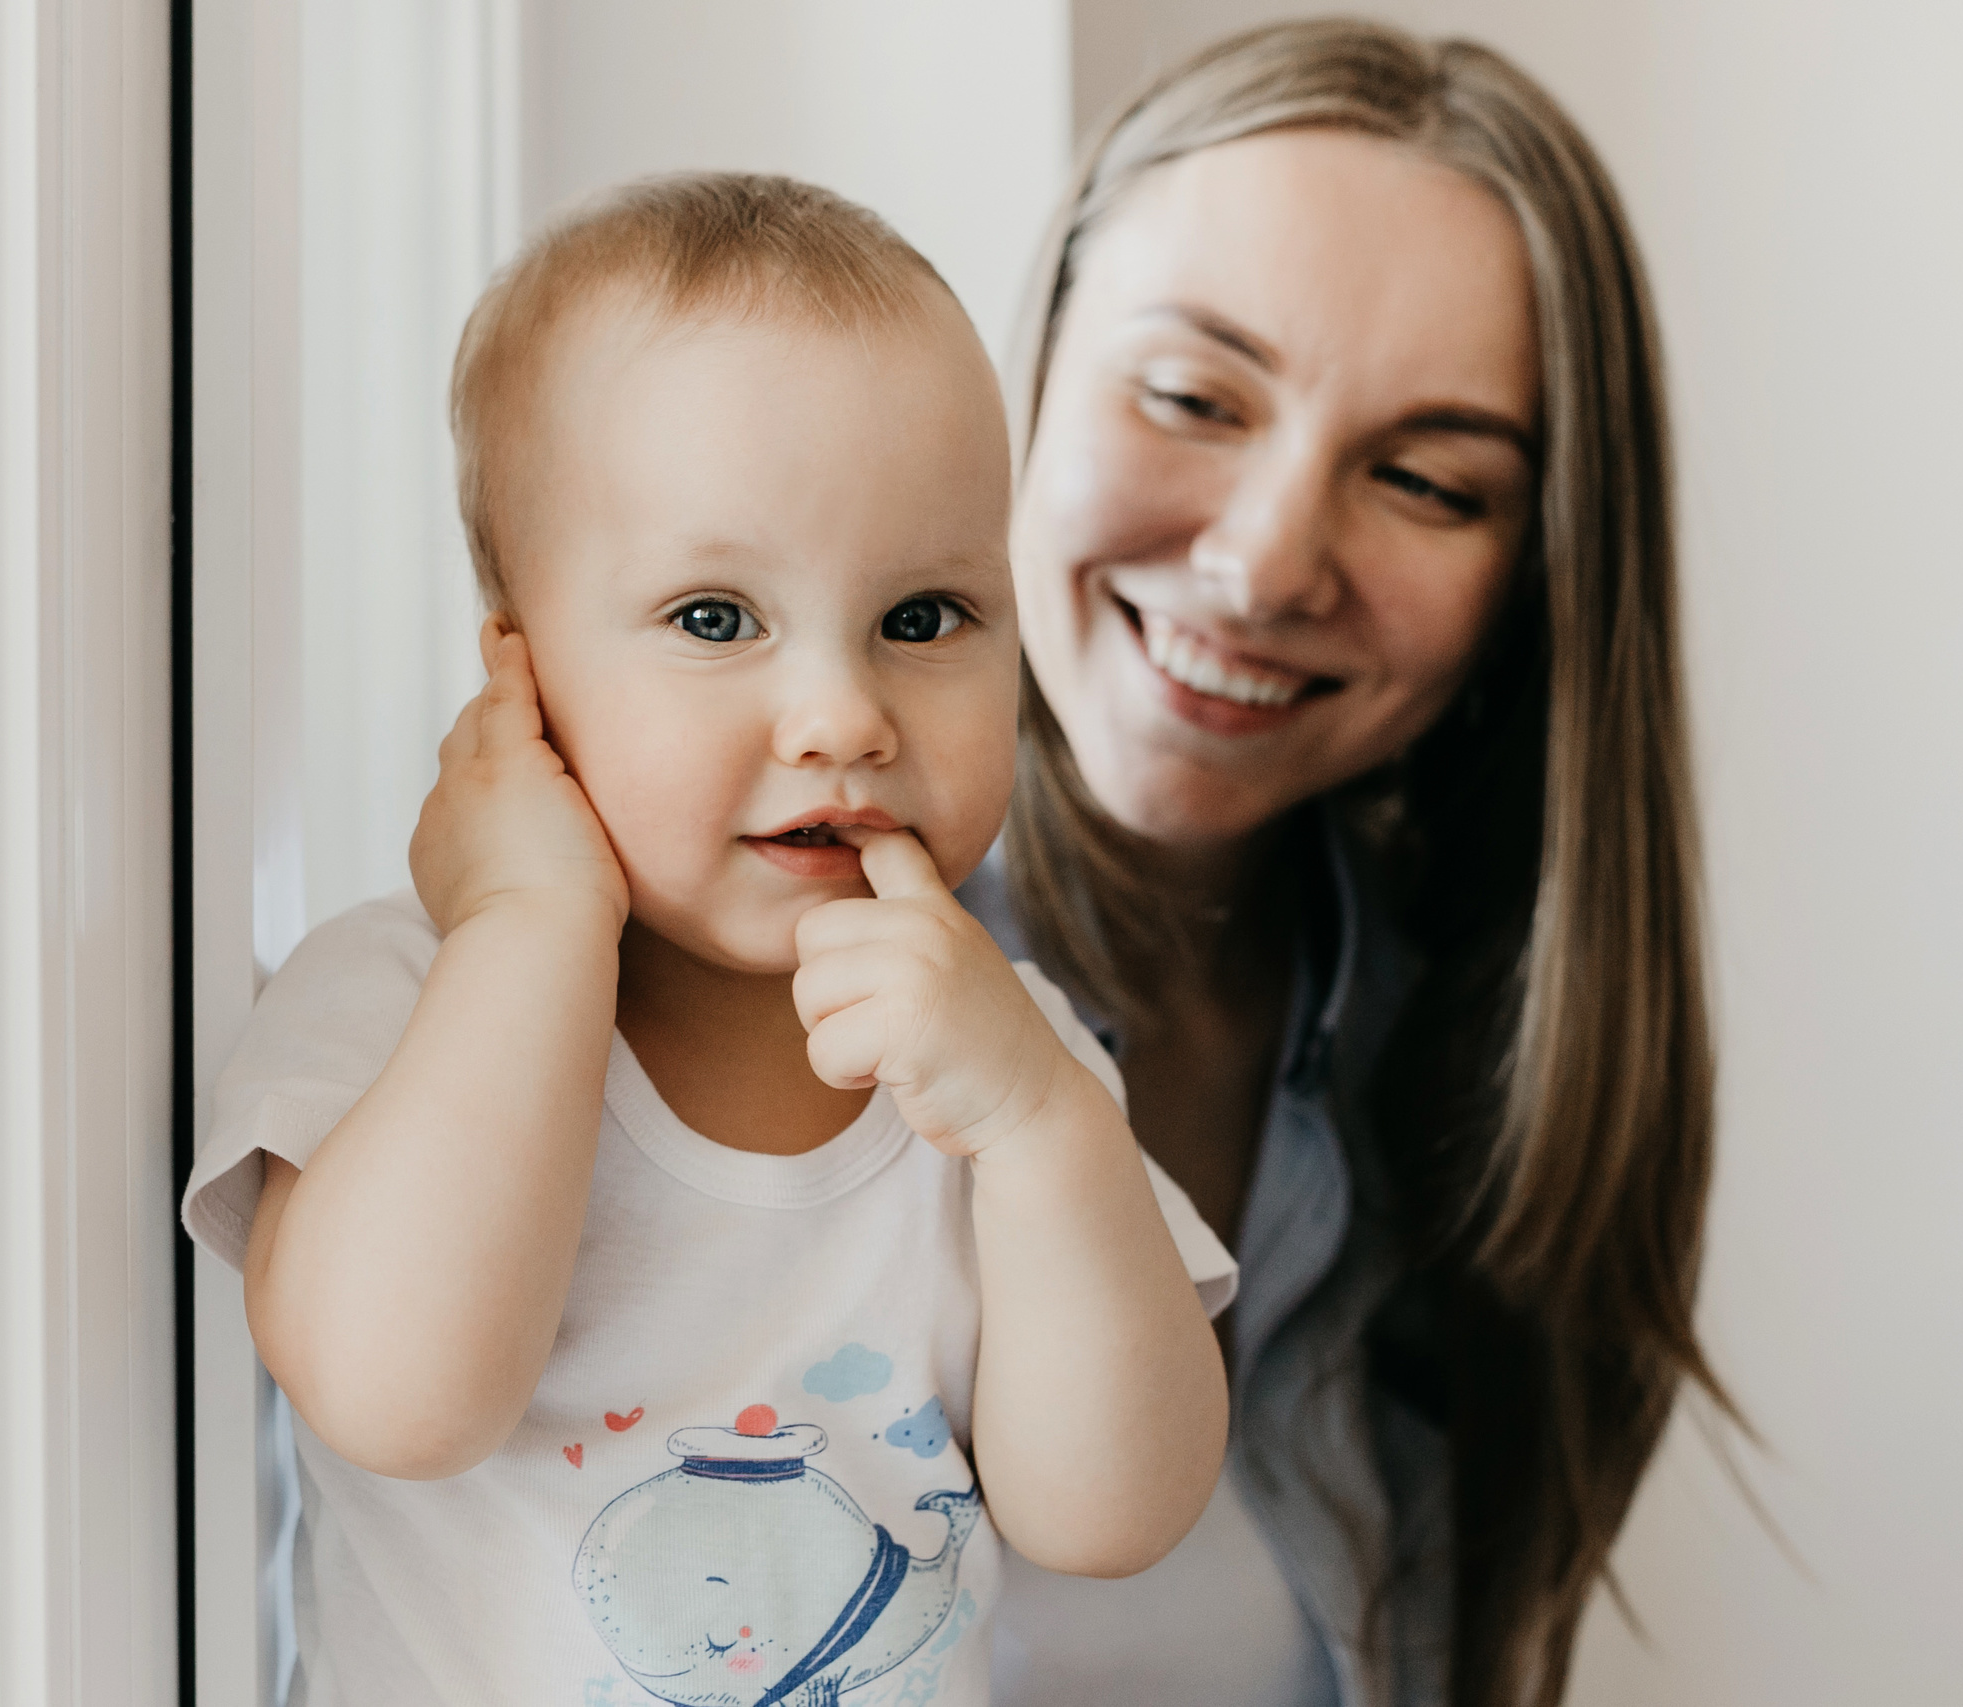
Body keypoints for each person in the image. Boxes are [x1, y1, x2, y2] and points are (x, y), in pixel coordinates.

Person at [180, 174, 1233, 1707]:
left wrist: (1036, 1122)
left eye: (926, 618)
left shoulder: (1003, 1060)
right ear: (521, 679)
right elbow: (398, 1398)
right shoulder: (407, 994)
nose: (843, 718)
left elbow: (1111, 1514)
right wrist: (534, 925)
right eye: (716, 620)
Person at [968, 21, 1730, 1707]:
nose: (1260, 565)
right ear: (1026, 367)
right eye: (1189, 397)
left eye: (1426, 481)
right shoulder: (694, 997)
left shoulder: (1478, 1082)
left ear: (1536, 578)